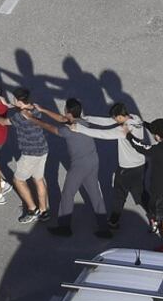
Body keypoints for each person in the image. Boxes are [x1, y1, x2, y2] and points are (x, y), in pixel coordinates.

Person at [24, 100, 111, 237]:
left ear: (68, 112)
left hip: (79, 166)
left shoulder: (67, 130)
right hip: (93, 161)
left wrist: (31, 118)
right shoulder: (83, 122)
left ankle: (64, 227)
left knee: (67, 194)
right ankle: (104, 228)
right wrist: (43, 110)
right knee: (95, 193)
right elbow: (63, 119)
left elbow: (49, 127)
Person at [72, 103, 148, 230]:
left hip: (127, 168)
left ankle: (113, 221)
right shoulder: (135, 118)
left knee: (119, 194)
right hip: (141, 165)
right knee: (140, 194)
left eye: (115, 118)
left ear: (119, 117)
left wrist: (79, 129)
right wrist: (86, 119)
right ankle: (157, 217)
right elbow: (107, 121)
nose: (113, 120)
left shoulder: (123, 130)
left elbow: (103, 134)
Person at [124, 118, 163, 253]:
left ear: (157, 135)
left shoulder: (158, 150)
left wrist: (128, 134)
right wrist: (145, 124)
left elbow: (141, 147)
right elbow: (157, 130)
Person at [0, 88, 49, 223]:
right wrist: (9, 105)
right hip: (42, 149)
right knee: (39, 179)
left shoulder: (19, 117)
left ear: (18, 100)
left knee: (18, 180)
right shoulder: (34, 108)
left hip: (30, 154)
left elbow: (3, 122)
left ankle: (32, 210)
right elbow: (21, 108)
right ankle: (43, 211)